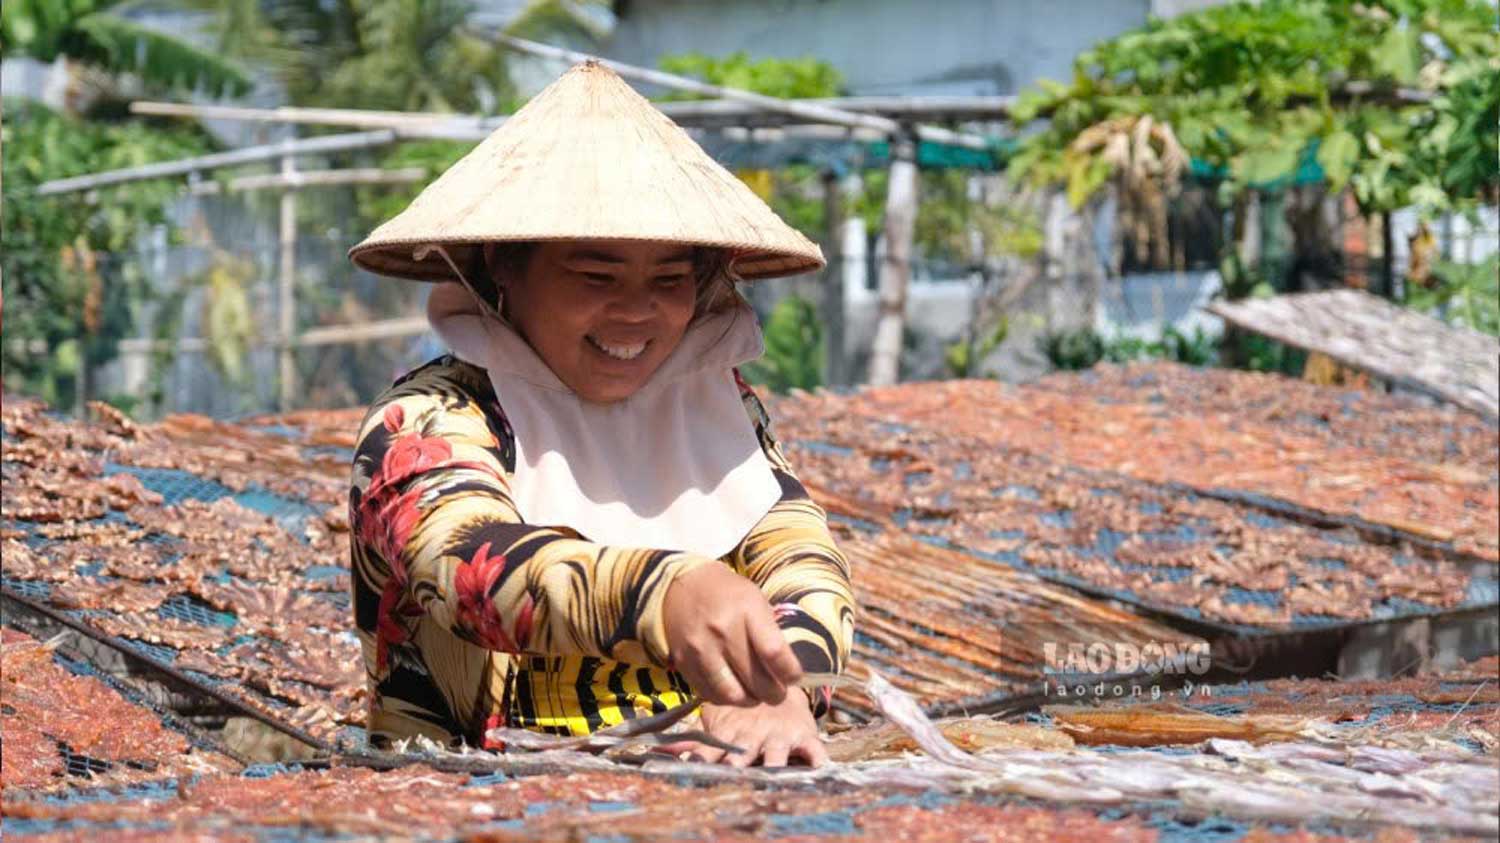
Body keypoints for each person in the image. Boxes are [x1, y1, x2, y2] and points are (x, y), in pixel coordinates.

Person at [346, 60, 855, 768]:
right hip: (473, 796)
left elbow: (803, 557)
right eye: (596, 275)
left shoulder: (715, 410)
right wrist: (668, 595)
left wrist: (782, 680)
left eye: (671, 278)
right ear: (503, 264)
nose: (637, 311)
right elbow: (471, 572)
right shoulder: (429, 418)